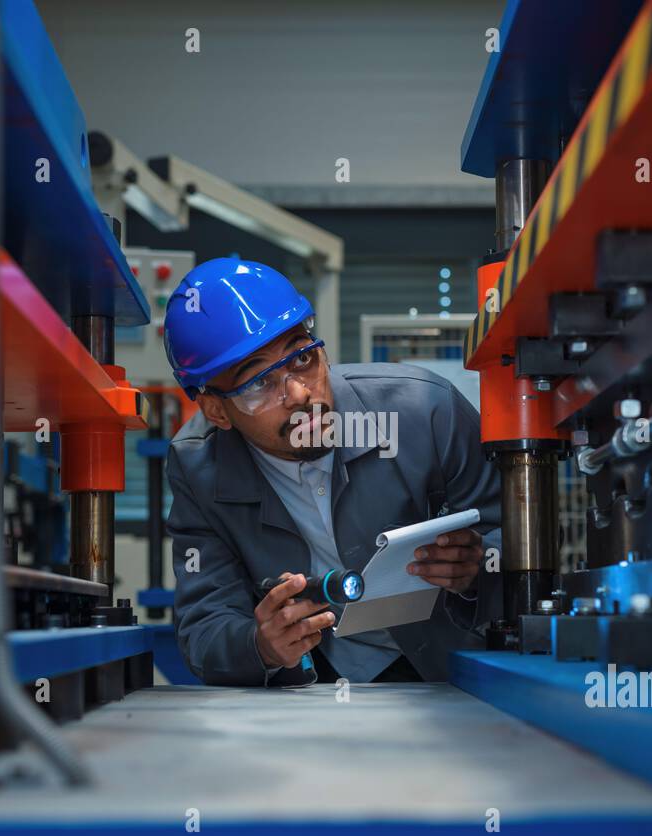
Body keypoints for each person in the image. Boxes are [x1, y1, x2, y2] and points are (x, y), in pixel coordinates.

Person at [163, 257, 502, 686]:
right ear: (216, 410)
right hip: (315, 691)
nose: (301, 394)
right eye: (258, 384)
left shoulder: (424, 412)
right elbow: (204, 625)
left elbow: (523, 543)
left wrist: (478, 570)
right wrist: (259, 645)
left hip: (453, 676)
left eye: (302, 358)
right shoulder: (199, 469)